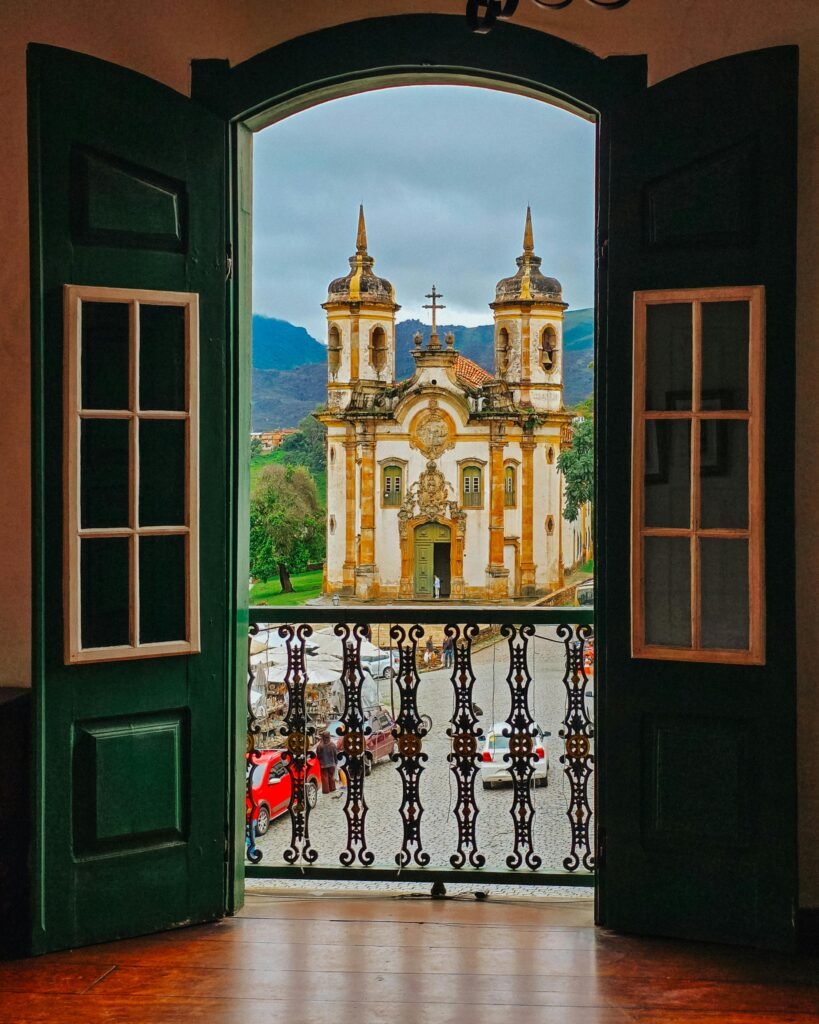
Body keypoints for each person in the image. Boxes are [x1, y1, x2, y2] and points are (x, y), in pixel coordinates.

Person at [315, 730, 337, 795]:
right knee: (331, 776)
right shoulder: (332, 745)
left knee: (324, 778)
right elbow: (336, 754)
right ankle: (332, 788)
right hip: (332, 763)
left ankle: (326, 790)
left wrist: (320, 761)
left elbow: (318, 755)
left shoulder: (319, 746)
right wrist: (336, 762)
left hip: (323, 764)